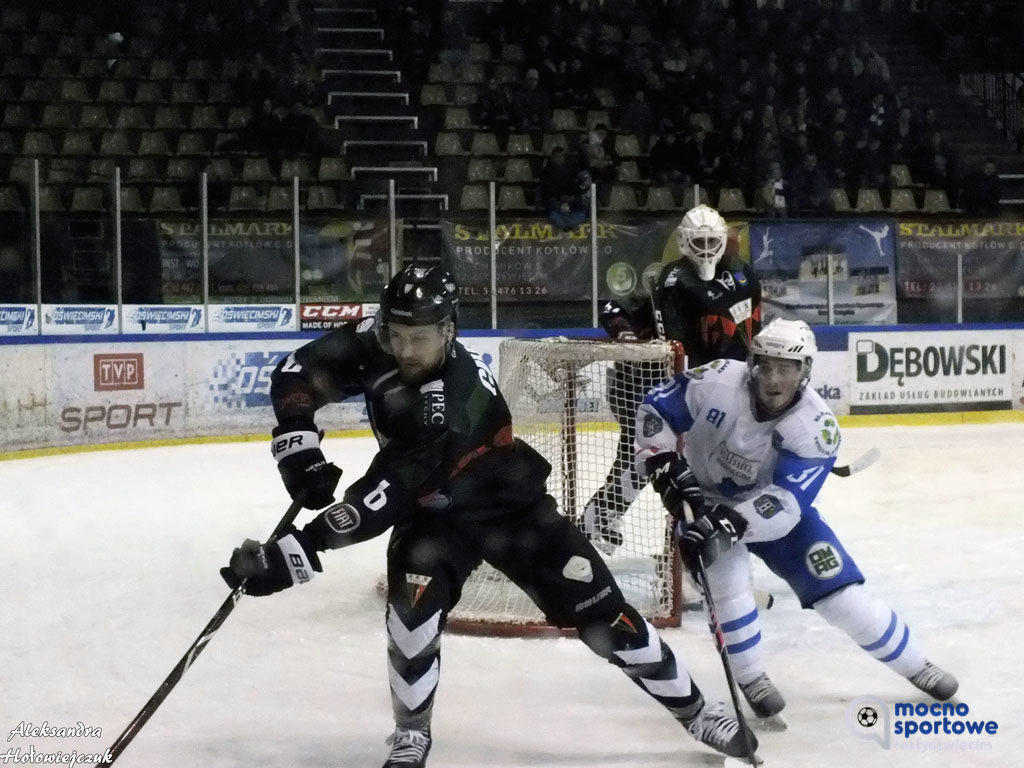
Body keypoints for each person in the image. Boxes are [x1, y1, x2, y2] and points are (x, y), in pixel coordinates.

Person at [221, 264, 757, 767]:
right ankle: (411, 731)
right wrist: (297, 446)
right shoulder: (382, 336)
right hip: (434, 518)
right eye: (398, 335)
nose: (406, 349)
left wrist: (293, 555)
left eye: (421, 338)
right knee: (411, 623)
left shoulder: (456, 402)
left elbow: (384, 495)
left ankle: (696, 710)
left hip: (511, 510)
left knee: (606, 617)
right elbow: (300, 369)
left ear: (449, 331)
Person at [635, 318, 959, 722]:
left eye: (786, 368)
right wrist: (661, 458)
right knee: (729, 588)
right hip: (704, 503)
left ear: (805, 371)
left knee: (840, 593)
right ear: (752, 362)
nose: (773, 378)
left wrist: (732, 522)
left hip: (771, 512)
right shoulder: (716, 379)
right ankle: (753, 679)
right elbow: (655, 408)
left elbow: (786, 504)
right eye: (766, 365)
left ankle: (917, 666)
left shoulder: (816, 427)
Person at [582, 205, 762, 549]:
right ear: (684, 243)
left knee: (685, 473)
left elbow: (742, 336)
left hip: (701, 391)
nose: (708, 249)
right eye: (700, 241)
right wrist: (624, 333)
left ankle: (675, 550)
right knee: (646, 466)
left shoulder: (737, 279)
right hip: (650, 390)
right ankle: (598, 525)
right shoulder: (672, 283)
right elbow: (621, 315)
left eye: (714, 240)